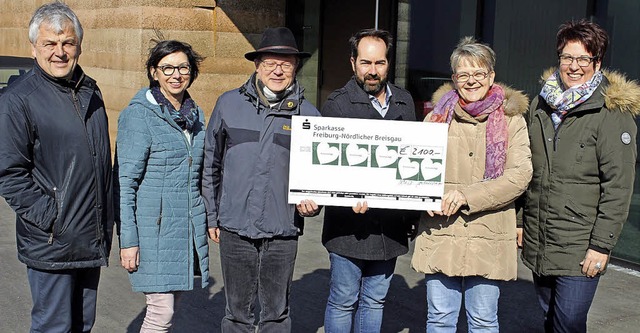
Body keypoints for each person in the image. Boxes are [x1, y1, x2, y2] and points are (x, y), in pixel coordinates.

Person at [0, 2, 113, 332]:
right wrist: (52, 219)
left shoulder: (91, 90)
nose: (60, 52)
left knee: (82, 325)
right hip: (52, 242)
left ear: (79, 45)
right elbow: (10, 174)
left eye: (68, 43)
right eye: (50, 43)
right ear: (33, 47)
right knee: (53, 326)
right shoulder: (18, 100)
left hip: (89, 238)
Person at [521, 19, 639, 333]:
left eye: (583, 59)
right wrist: (521, 222)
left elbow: (619, 186)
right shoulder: (541, 103)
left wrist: (601, 246)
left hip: (581, 243)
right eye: (567, 58)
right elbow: (527, 167)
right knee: (549, 318)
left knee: (569, 322)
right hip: (542, 235)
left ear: (597, 63)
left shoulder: (612, 113)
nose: (574, 67)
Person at [202, 27, 321, 332]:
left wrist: (313, 205)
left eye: (285, 63)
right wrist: (212, 216)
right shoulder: (228, 104)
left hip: (281, 230)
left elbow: (318, 177)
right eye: (270, 62)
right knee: (237, 314)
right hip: (235, 226)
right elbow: (210, 164)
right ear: (257, 65)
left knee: (276, 315)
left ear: (296, 67)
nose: (277, 70)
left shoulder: (309, 117)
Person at [410, 36, 532, 333]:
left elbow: (519, 176)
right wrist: (428, 198)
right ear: (454, 79)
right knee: (440, 320)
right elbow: (415, 173)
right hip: (441, 232)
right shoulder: (436, 119)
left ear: (491, 76)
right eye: (464, 75)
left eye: (479, 73)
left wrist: (465, 195)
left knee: (483, 321)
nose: (472, 81)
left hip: (487, 235)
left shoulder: (512, 120)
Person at [320, 29, 417, 333]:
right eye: (365, 63)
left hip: (389, 227)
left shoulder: (404, 101)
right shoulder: (337, 105)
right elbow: (325, 167)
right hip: (348, 226)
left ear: (389, 64)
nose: (372, 71)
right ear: (353, 63)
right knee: (343, 299)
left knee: (375, 301)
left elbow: (411, 160)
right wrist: (346, 195)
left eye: (380, 63)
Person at [114, 39, 209, 332]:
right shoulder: (138, 115)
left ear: (192, 72)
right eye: (167, 68)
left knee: (172, 305)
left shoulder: (196, 116)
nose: (176, 74)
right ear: (154, 72)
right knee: (161, 312)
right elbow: (125, 183)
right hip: (152, 231)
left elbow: (198, 174)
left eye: (183, 67)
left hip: (184, 229)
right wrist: (128, 241)